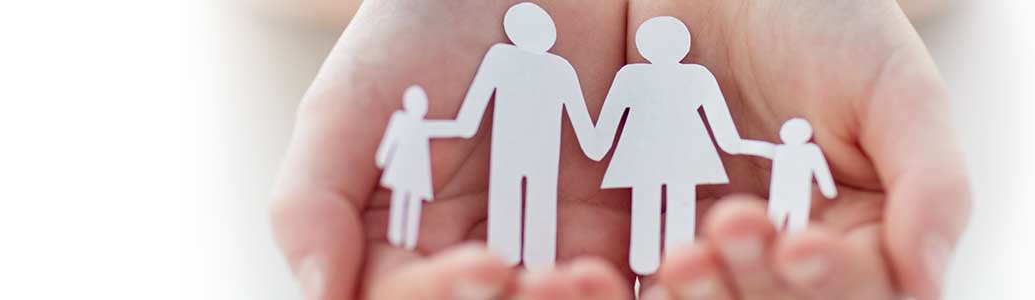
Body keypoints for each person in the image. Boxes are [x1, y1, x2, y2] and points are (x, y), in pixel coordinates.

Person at [270, 0, 968, 299]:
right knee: (531, 206)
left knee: (572, 204)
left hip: (629, 153)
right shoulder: (523, 65)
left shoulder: (685, 75)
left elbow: (596, 115)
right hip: (549, 146)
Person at [429, 2, 604, 270]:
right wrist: (601, 145)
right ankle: (523, 262)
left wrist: (438, 128)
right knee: (535, 203)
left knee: (514, 201)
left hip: (516, 149)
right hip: (535, 151)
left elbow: (470, 116)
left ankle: (510, 261)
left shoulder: (507, 59)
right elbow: (585, 128)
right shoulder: (554, 67)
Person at [583, 16, 746, 275]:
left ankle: (657, 257)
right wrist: (735, 144)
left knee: (653, 200)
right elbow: (722, 126)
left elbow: (609, 119)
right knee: (674, 200)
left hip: (646, 149)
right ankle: (670, 258)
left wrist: (594, 144)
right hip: (680, 148)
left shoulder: (634, 75)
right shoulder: (693, 75)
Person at [737, 118, 840, 233]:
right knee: (775, 221)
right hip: (779, 195)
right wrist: (740, 145)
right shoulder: (781, 150)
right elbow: (762, 149)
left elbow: (820, 169)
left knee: (796, 224)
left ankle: (793, 243)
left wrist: (828, 189)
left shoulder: (810, 151)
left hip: (798, 194)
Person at [373, 86, 441, 249]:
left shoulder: (424, 125)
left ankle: (409, 238)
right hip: (401, 166)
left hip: (418, 169)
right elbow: (391, 139)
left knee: (413, 202)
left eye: (422, 104)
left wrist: (462, 125)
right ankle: (397, 234)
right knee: (400, 199)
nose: (420, 107)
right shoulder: (400, 119)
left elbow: (443, 128)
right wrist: (382, 158)